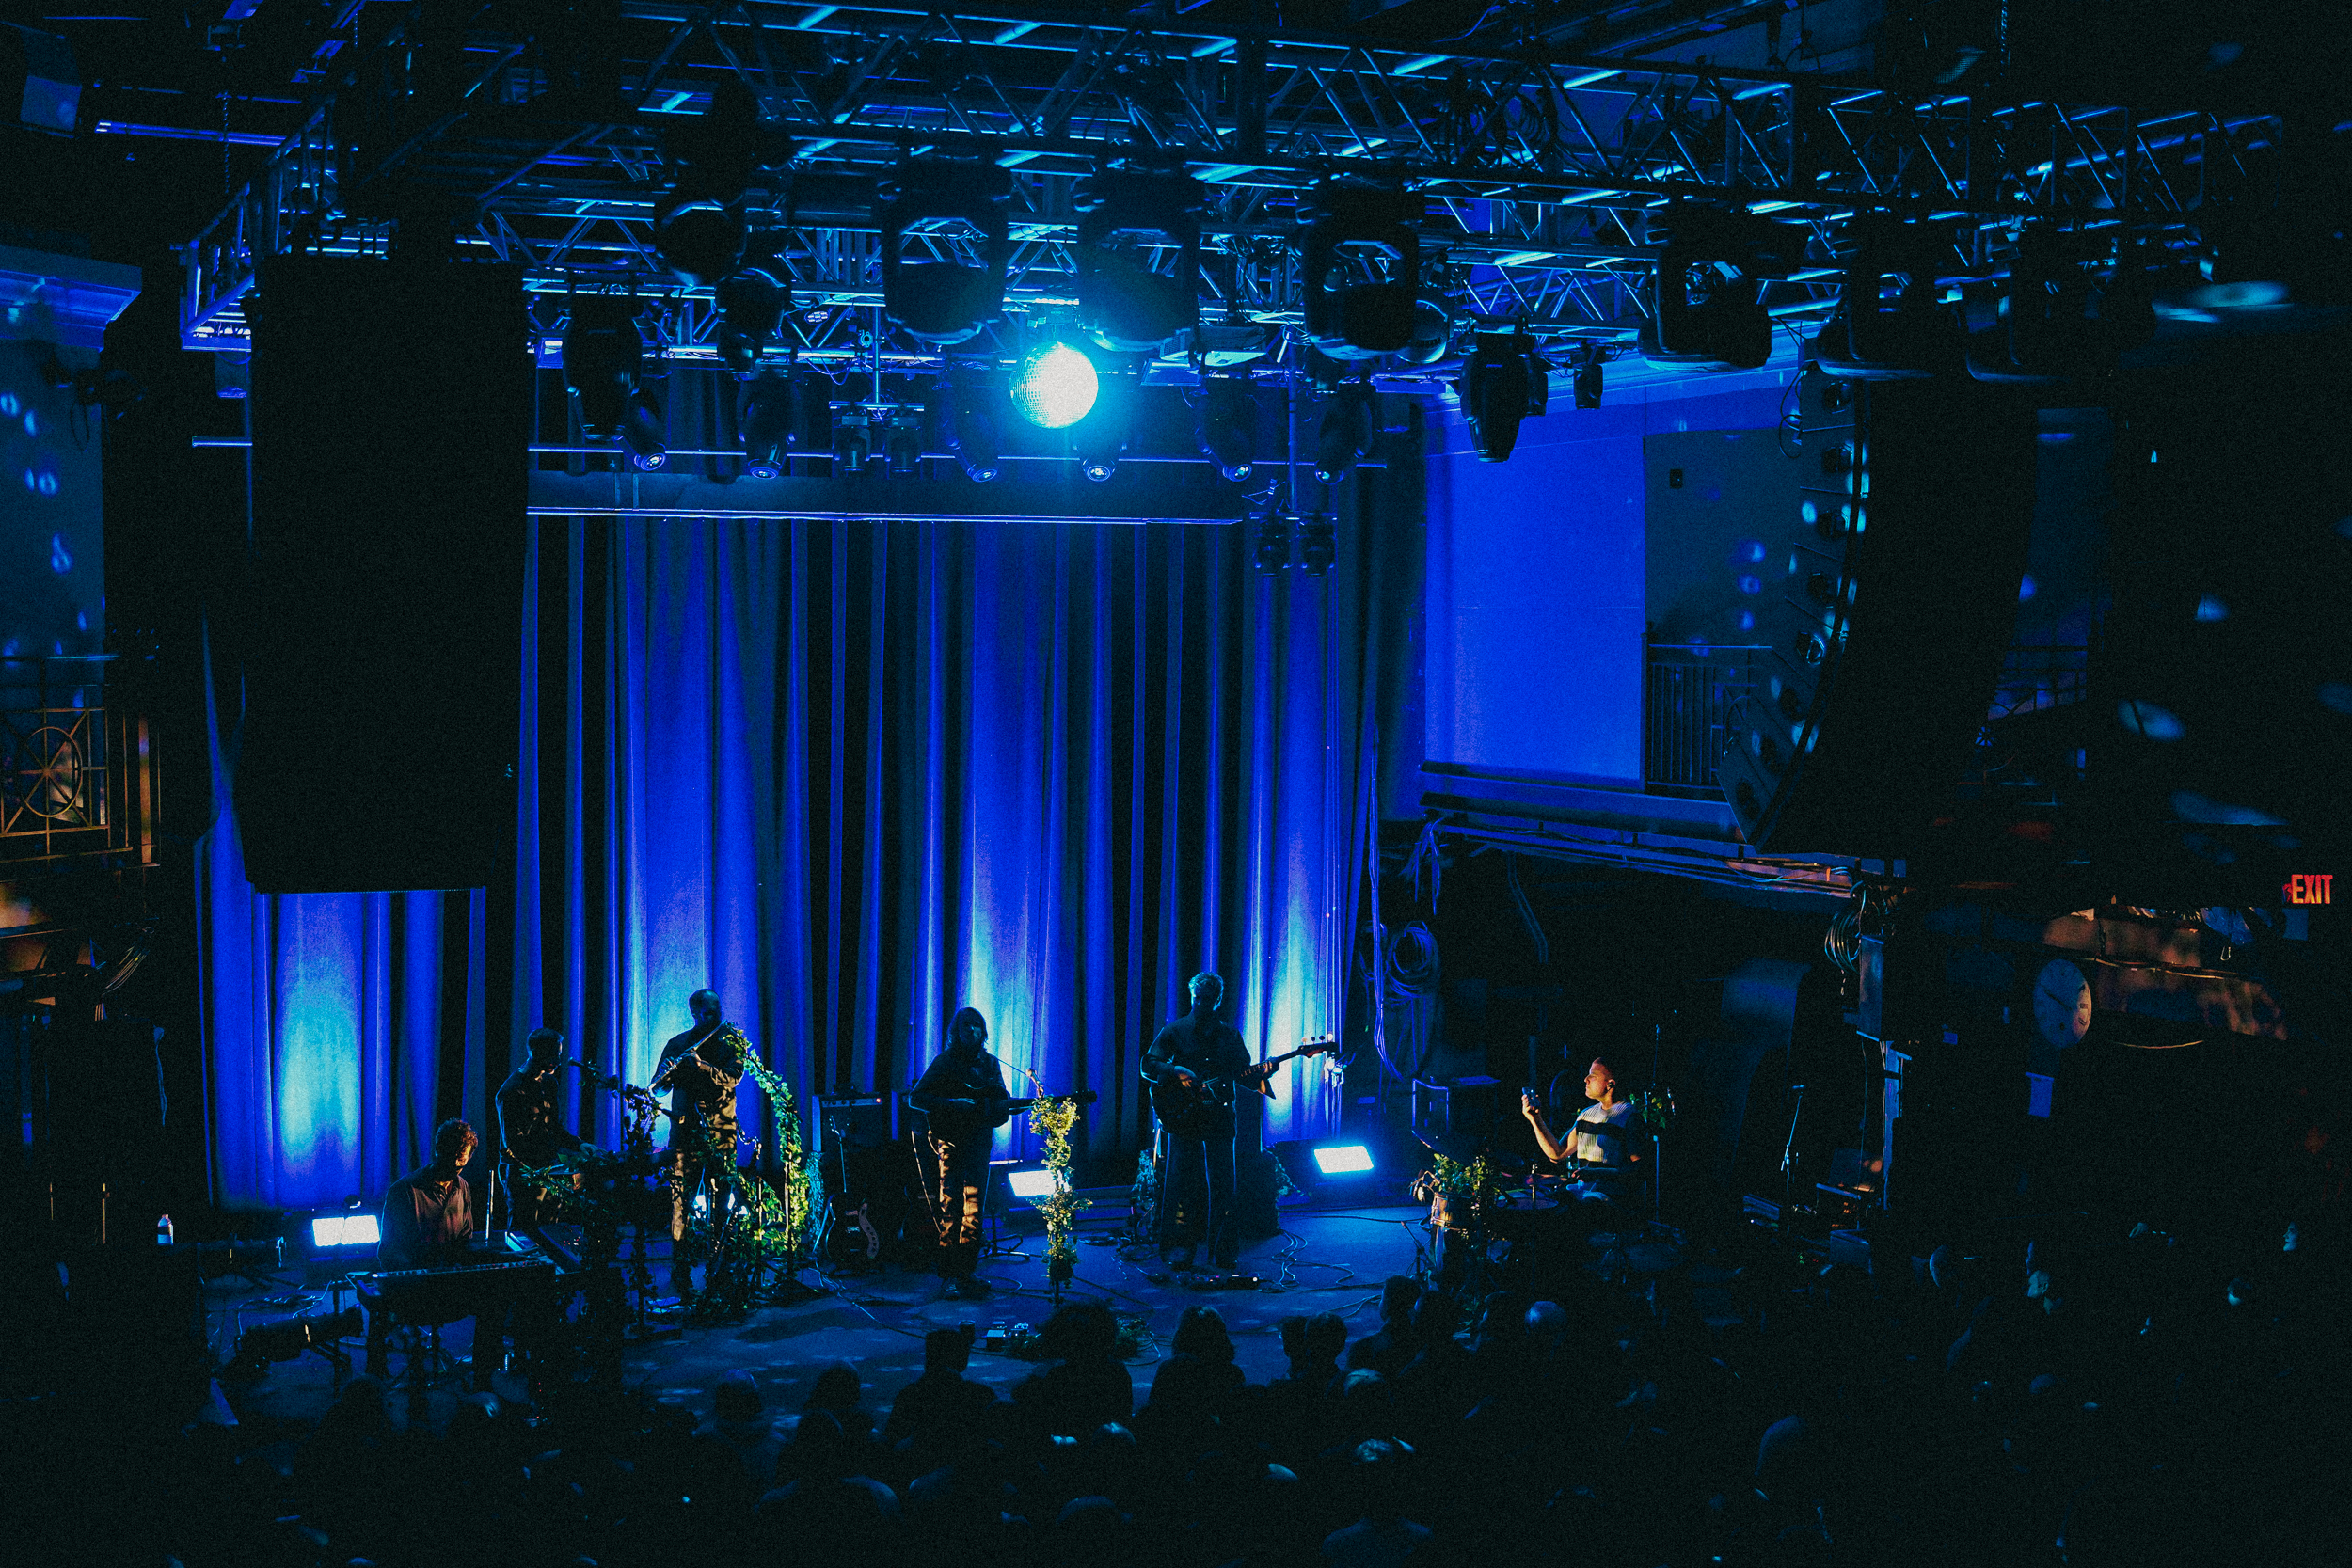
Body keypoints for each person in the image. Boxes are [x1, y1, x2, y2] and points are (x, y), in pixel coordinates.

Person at [1142, 973, 1267, 1273]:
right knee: (1182, 1182)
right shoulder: (1175, 1030)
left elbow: (1244, 1074)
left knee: (1224, 1184)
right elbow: (1149, 1064)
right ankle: (1180, 1248)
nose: (1200, 1003)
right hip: (1185, 1118)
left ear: (1217, 1000)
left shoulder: (1229, 1035)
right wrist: (1176, 1071)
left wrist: (1263, 1076)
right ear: (1191, 996)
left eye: (1207, 999)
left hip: (1220, 1116)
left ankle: (1224, 1250)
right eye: (1197, 998)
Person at [367, 1117, 487, 1383]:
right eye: (454, 1157)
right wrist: (417, 1275)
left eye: (463, 1159)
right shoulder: (404, 1191)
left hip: (448, 1282)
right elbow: (387, 1251)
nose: (458, 1165)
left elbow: (465, 1239)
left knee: (494, 1300)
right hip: (415, 1285)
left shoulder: (463, 1188)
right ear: (438, 1151)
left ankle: (483, 1380)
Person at [906, 1006, 1014, 1299]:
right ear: (957, 1030)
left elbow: (1000, 1101)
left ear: (983, 1032)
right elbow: (916, 1098)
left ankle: (967, 1271)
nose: (972, 1030)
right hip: (952, 1142)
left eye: (977, 1026)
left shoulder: (990, 1064)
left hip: (980, 1142)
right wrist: (953, 1104)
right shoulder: (945, 1062)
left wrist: (997, 1108)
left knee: (975, 1207)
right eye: (966, 1025)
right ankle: (948, 1274)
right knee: (952, 1206)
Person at [654, 989, 750, 1299]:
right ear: (695, 1014)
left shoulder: (731, 1041)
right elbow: (656, 1089)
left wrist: (702, 1067)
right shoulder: (679, 1044)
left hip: (721, 1134)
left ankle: (722, 1267)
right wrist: (671, 1072)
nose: (715, 1016)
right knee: (679, 1203)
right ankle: (681, 1269)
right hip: (684, 1135)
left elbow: (732, 1078)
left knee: (722, 1203)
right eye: (708, 1012)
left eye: (717, 1009)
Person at [497, 1027, 585, 1227]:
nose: (559, 1060)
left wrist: (581, 1146)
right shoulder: (511, 1091)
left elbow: (555, 1129)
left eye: (559, 1054)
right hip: (524, 1174)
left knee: (550, 1232)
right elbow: (513, 1145)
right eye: (554, 1054)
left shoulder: (549, 1083)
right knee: (524, 1234)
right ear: (535, 1053)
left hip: (549, 1168)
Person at [1520, 1055, 1640, 1196]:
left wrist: (1598, 1173)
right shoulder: (1586, 1115)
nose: (1586, 1079)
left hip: (1609, 1200)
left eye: (1593, 1076)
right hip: (1583, 1194)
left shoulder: (1629, 1117)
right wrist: (1536, 1119)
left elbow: (1639, 1169)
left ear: (1610, 1084)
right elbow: (1557, 1153)